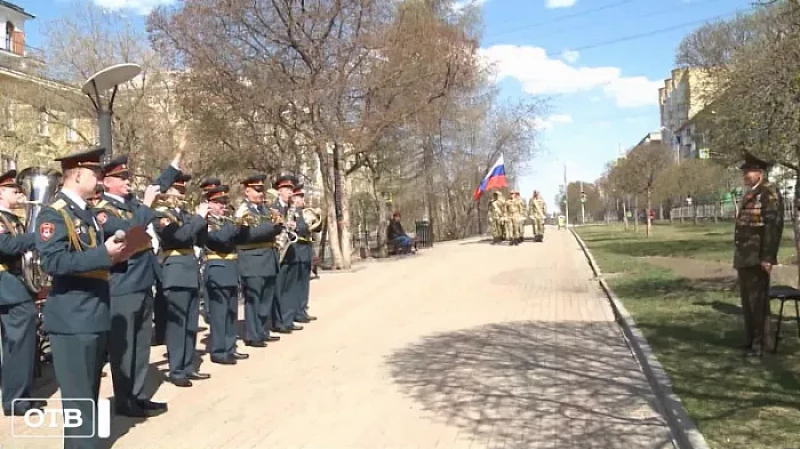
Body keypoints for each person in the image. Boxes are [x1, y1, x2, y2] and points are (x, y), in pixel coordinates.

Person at [36, 147, 129, 449]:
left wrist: (117, 255)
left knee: (87, 396)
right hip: (73, 317)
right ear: (76, 175)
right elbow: (53, 262)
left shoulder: (86, 212)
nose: (100, 179)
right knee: (79, 401)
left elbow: (92, 257)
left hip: (93, 312)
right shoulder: (55, 213)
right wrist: (103, 254)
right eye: (95, 173)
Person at [92, 155, 178, 417]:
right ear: (107, 182)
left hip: (142, 281)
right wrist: (147, 204)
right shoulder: (103, 210)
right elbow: (129, 233)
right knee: (123, 347)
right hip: (123, 283)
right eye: (122, 178)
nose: (128, 181)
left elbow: (155, 188)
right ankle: (124, 399)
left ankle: (138, 395)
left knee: (141, 345)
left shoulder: (131, 204)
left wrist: (173, 168)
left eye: (128, 177)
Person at [153, 173, 210, 387]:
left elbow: (198, 240)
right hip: (175, 271)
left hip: (190, 270)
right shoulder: (161, 214)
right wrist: (198, 218)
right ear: (167, 192)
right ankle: (176, 370)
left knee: (190, 324)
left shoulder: (185, 214)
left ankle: (187, 366)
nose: (182, 194)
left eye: (184, 190)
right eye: (178, 190)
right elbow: (179, 237)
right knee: (177, 324)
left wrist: (203, 221)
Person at [0, 169, 44, 417]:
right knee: (19, 344)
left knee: (18, 345)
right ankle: (17, 400)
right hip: (7, 285)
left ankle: (17, 396)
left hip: (15, 284)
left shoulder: (13, 219)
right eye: (14, 190)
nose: (20, 194)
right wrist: (38, 236)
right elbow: (6, 246)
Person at [734, 151, 784, 357]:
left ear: (760, 173)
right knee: (748, 302)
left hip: (757, 256)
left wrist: (767, 257)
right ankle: (751, 339)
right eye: (744, 172)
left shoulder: (768, 193)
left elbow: (773, 227)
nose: (745, 175)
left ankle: (763, 344)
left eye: (749, 171)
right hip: (745, 256)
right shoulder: (751, 193)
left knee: (758, 302)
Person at [204, 185, 250, 364]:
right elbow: (220, 239)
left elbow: (241, 239)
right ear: (209, 204)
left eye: (224, 202)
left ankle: (230, 348)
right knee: (219, 314)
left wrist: (244, 226)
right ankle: (219, 351)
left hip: (231, 268)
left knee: (231, 313)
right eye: (218, 203)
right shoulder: (206, 222)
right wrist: (237, 221)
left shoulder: (227, 222)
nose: (222, 206)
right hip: (217, 268)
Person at [235, 174, 283, 346]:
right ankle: (253, 335)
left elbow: (275, 227)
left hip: (268, 259)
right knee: (254, 299)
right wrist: (271, 227)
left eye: (261, 190)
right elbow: (246, 235)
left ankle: (262, 331)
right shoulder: (243, 211)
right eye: (256, 190)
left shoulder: (266, 209)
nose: (260, 193)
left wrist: (278, 226)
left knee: (265, 300)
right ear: (247, 191)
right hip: (252, 260)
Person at [272, 175, 304, 333]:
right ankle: (278, 322)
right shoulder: (273, 207)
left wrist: (295, 226)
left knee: (289, 288)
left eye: (291, 189)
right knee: (279, 288)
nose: (290, 192)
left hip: (290, 250)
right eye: (287, 189)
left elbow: (302, 227)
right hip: (278, 250)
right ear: (279, 191)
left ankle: (288, 319)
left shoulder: (293, 208)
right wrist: (284, 224)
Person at [287, 184, 317, 324]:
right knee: (295, 284)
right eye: (299, 197)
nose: (301, 200)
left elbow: (313, 228)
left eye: (301, 197)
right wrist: (302, 226)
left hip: (305, 250)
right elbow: (301, 228)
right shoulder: (293, 211)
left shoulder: (304, 212)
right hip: (296, 249)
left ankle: (302, 310)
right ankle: (295, 312)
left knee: (304, 283)